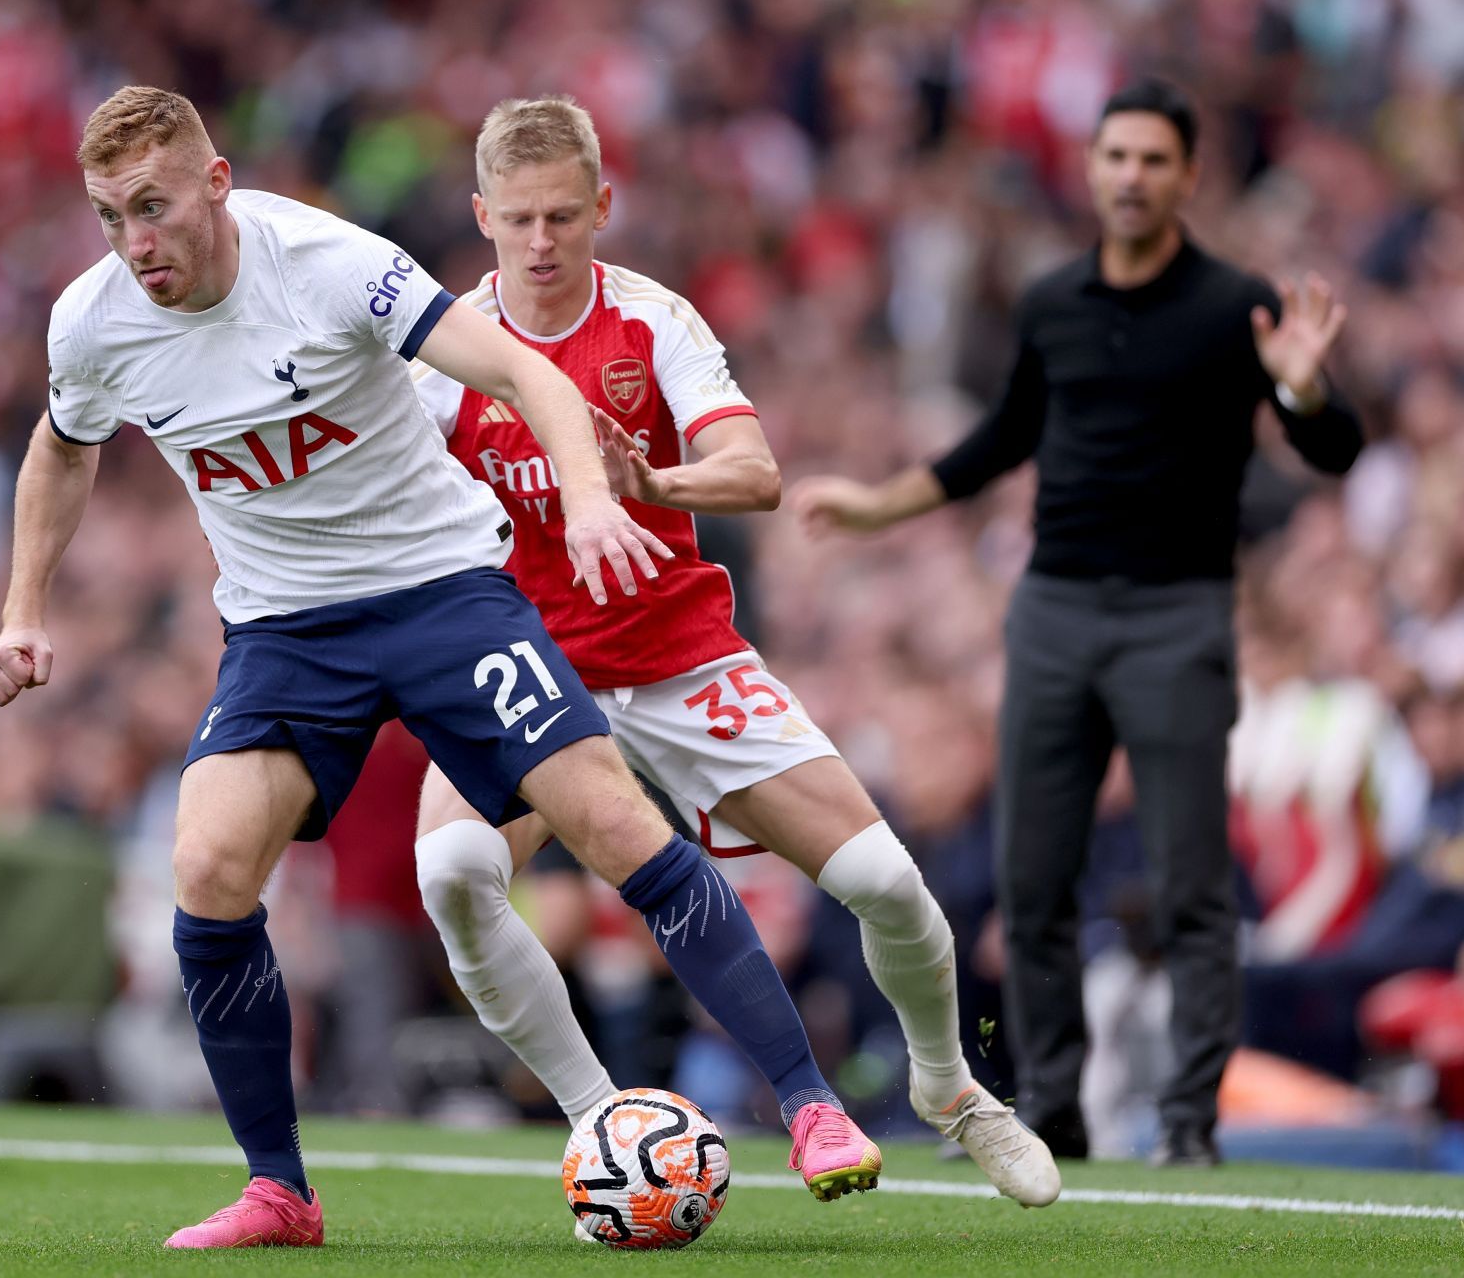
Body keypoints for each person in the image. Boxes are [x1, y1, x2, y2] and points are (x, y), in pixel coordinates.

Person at [0, 86, 864, 1250]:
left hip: (441, 587)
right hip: (285, 628)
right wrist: (23, 607)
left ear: (215, 182)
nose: (134, 242)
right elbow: (61, 447)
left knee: (610, 823)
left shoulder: (333, 263)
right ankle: (279, 1191)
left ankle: (808, 1103)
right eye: (108, 216)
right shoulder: (93, 321)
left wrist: (591, 500)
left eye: (152, 206)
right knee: (205, 861)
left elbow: (528, 376)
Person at [408, 96, 1058, 1208]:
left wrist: (654, 482)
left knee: (888, 887)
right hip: (533, 670)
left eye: (565, 214)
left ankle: (951, 1086)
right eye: (518, 219)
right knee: (455, 873)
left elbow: (755, 471)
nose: (543, 241)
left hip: (677, 656)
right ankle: (594, 1115)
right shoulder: (445, 355)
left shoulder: (653, 322)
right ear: (482, 216)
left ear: (605, 204)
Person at [795, 79, 1365, 1167]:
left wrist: (1298, 390)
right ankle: (1052, 1103)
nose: (1133, 177)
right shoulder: (1054, 301)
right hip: (1054, 609)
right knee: (1032, 877)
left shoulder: (1234, 303)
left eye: (1155, 159)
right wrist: (877, 502)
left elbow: (1338, 450)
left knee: (1192, 879)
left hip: (1176, 612)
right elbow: (999, 440)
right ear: (1094, 168)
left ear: (1189, 176)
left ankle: (1192, 1121)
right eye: (1117, 157)